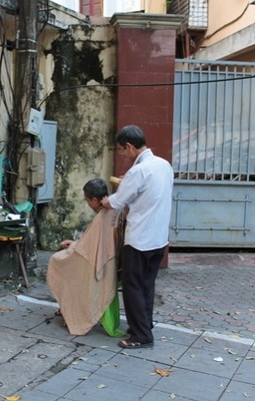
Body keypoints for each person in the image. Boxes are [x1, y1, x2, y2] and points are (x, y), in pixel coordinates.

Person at [101, 125, 173, 349]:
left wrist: (104, 201)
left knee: (132, 287)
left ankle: (141, 336)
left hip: (140, 239)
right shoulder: (163, 165)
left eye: (122, 150)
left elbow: (116, 202)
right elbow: (148, 191)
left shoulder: (138, 172)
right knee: (146, 285)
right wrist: (127, 184)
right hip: (159, 238)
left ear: (130, 146)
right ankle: (144, 325)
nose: (122, 155)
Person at [47, 178, 122, 336]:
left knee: (57, 261)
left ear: (95, 200)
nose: (87, 204)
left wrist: (73, 246)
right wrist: (75, 244)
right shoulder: (113, 210)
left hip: (97, 262)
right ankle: (66, 309)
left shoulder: (102, 217)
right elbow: (92, 243)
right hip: (107, 260)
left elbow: (87, 248)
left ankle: (72, 313)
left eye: (87, 200)